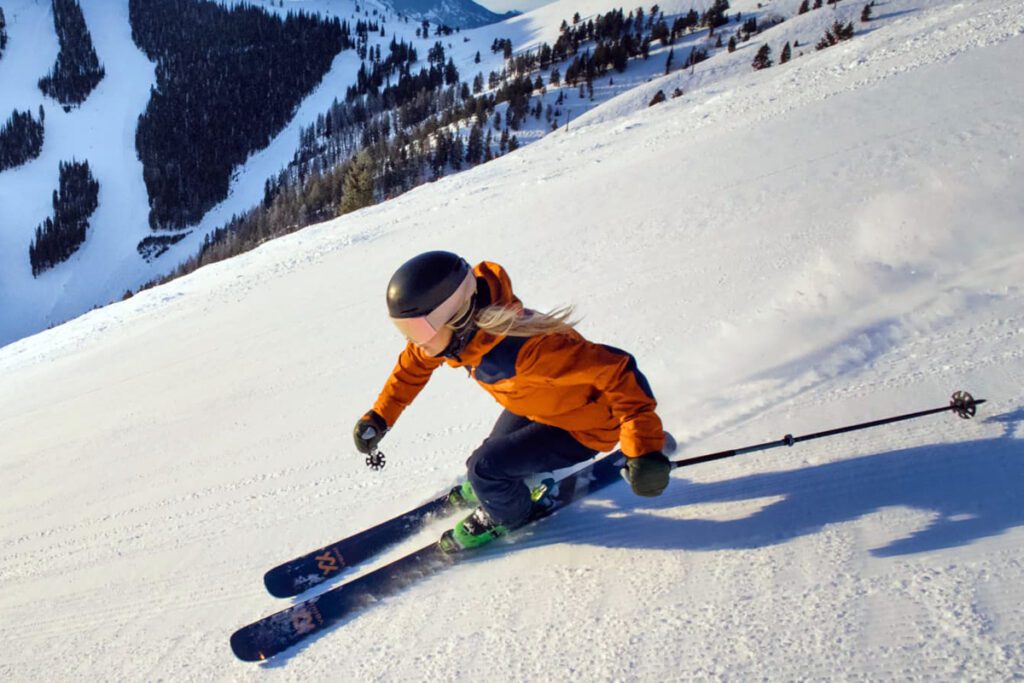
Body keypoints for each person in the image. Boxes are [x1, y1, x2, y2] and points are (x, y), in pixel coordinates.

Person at [353, 251, 671, 550]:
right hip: (540, 407)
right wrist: (380, 417)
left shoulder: (526, 350)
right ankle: (500, 486)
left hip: (584, 427)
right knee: (494, 454)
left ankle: (507, 515)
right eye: (404, 329)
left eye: (417, 329)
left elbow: (618, 371)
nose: (412, 340)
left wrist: (643, 448)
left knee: (483, 468)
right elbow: (412, 367)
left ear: (455, 314)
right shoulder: (461, 337)